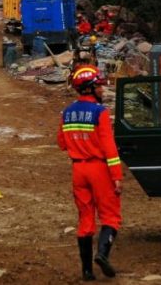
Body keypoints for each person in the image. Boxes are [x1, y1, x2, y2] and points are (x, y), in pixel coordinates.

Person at [58, 65, 122, 281]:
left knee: (85, 219)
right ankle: (102, 254)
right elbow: (109, 148)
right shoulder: (100, 113)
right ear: (89, 88)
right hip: (99, 169)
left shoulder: (66, 113)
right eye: (99, 86)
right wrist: (117, 177)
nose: (102, 90)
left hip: (78, 170)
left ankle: (86, 271)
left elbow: (61, 144)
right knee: (111, 217)